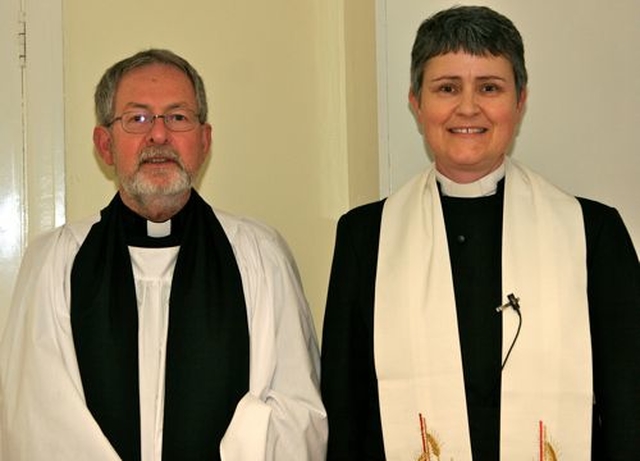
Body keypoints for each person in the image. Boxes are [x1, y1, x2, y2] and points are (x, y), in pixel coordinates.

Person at [320, 5, 640, 460]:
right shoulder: (364, 237)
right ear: (416, 101)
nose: (467, 108)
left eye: (489, 87)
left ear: (519, 100)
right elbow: (345, 409)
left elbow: (630, 408)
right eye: (447, 88)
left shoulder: (593, 233)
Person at [0, 49, 327, 460]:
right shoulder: (55, 262)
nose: (158, 136)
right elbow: (36, 421)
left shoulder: (260, 255)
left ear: (204, 141)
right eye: (137, 118)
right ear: (105, 144)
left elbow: (297, 413)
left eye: (178, 117)